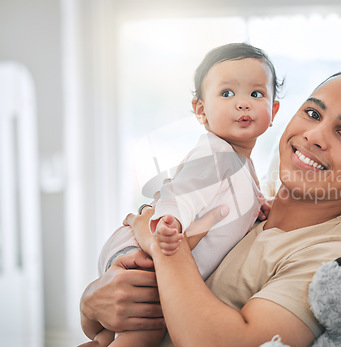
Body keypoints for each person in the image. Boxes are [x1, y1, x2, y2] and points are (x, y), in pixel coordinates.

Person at [80, 70, 341, 347]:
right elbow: (114, 306)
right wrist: (92, 303)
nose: (314, 136)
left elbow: (231, 341)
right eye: (312, 113)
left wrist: (165, 246)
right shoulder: (242, 203)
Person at [80, 42, 281, 346]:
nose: (243, 103)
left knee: (125, 328)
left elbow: (231, 199)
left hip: (162, 256)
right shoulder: (215, 154)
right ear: (201, 110)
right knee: (146, 329)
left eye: (256, 94)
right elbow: (182, 192)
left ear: (273, 110)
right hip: (144, 249)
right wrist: (169, 221)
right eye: (227, 93)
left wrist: (258, 206)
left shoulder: (242, 163)